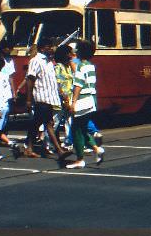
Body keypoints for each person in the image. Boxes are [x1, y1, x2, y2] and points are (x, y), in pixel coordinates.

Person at [22, 37, 71, 160]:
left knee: (37, 124)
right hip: (42, 98)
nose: (52, 49)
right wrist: (28, 100)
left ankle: (29, 147)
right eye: (49, 47)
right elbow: (30, 80)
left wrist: (61, 93)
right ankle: (59, 150)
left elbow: (53, 81)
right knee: (48, 124)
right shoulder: (36, 61)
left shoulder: (49, 62)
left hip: (51, 98)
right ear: (43, 48)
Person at [67, 40, 104, 169]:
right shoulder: (91, 66)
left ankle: (80, 159)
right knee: (82, 128)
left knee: (76, 130)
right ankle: (96, 149)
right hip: (91, 100)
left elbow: (78, 85)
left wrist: (73, 102)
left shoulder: (81, 67)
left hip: (82, 101)